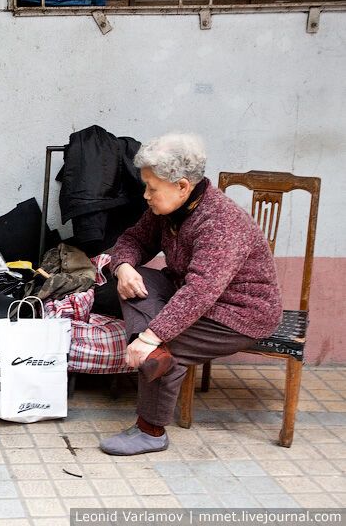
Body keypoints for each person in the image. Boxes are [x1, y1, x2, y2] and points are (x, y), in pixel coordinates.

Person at [99, 133, 282, 455]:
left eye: (152, 188)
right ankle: (150, 347)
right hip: (189, 294)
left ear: (182, 186)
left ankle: (151, 432)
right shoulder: (170, 208)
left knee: (164, 346)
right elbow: (133, 240)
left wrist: (152, 337)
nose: (146, 195)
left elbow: (200, 292)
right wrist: (123, 266)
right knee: (134, 280)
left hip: (238, 314)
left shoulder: (221, 222)